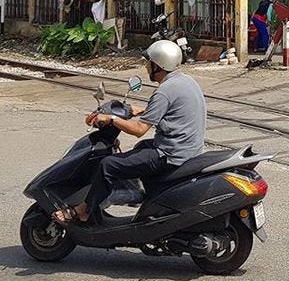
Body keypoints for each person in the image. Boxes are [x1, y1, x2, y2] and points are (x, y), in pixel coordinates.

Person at [52, 40, 206, 224]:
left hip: (170, 154)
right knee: (141, 148)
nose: (146, 67)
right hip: (187, 149)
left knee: (108, 165)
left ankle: (84, 210)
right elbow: (170, 109)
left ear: (158, 65)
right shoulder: (184, 81)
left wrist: (112, 119)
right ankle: (150, 200)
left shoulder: (165, 91)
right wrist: (139, 110)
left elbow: (139, 130)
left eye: (149, 63)